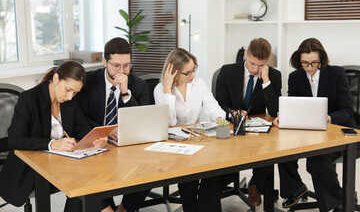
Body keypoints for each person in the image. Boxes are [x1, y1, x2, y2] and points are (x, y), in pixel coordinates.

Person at [0, 61, 109, 211]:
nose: (70, 97)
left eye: (75, 93)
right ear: (56, 78)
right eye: (68, 90)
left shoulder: (69, 100)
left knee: (88, 179)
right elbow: (15, 140)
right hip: (32, 168)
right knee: (82, 181)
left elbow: (80, 126)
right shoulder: (29, 99)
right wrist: (52, 144)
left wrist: (94, 138)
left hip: (63, 164)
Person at [272, 38, 358, 212]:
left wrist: (328, 118)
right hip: (308, 133)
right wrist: (283, 116)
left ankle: (339, 202)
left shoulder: (336, 74)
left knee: (316, 161)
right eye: (305, 63)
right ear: (299, 61)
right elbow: (293, 104)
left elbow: (347, 110)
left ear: (321, 60)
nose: (309, 67)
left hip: (338, 133)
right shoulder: (295, 77)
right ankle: (295, 188)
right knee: (281, 149)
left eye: (314, 63)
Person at [78, 37, 150, 212]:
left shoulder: (138, 85)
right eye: (116, 65)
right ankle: (106, 208)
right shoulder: (88, 82)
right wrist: (105, 132)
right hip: (96, 143)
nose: (122, 71)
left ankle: (124, 209)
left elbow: (142, 120)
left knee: (148, 168)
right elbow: (80, 117)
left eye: (126, 65)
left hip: (125, 146)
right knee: (92, 172)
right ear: (105, 62)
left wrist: (125, 93)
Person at [154, 48, 226, 212]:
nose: (192, 75)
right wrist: (167, 89)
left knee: (212, 170)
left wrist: (219, 118)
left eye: (194, 70)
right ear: (173, 71)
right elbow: (169, 122)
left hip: (195, 139)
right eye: (187, 73)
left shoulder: (198, 83)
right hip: (172, 145)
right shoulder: (160, 90)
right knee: (189, 176)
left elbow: (211, 105)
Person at [215, 37, 282, 206]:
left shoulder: (274, 75)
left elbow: (275, 111)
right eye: (252, 64)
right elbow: (219, 103)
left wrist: (266, 81)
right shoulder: (227, 71)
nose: (255, 69)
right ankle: (220, 183)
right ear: (245, 54)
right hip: (230, 124)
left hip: (256, 127)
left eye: (261, 65)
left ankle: (256, 185)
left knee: (269, 148)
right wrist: (232, 113)